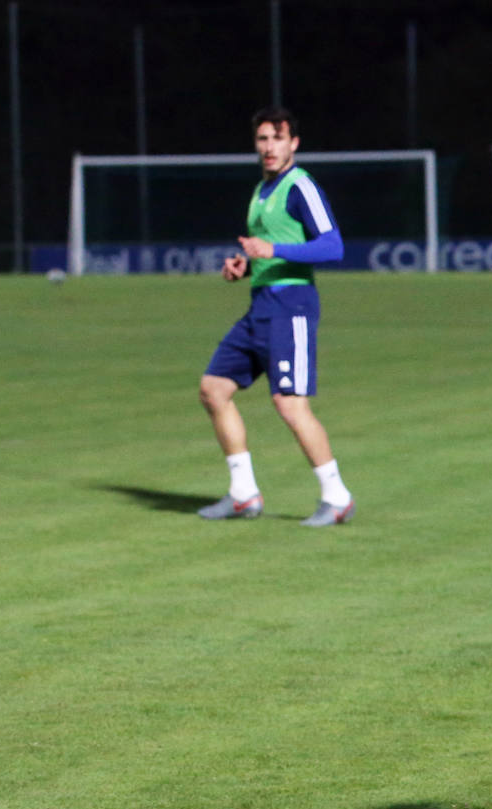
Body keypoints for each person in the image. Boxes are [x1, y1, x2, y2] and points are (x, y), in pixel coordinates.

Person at [197, 106, 355, 526]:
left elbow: (333, 246)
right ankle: (243, 494)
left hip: (292, 307)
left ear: (294, 143)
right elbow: (267, 249)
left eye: (277, 139)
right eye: (263, 139)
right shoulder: (261, 191)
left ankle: (336, 496)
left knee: (289, 404)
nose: (269, 147)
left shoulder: (301, 186)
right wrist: (245, 266)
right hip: (260, 305)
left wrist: (274, 252)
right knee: (213, 388)